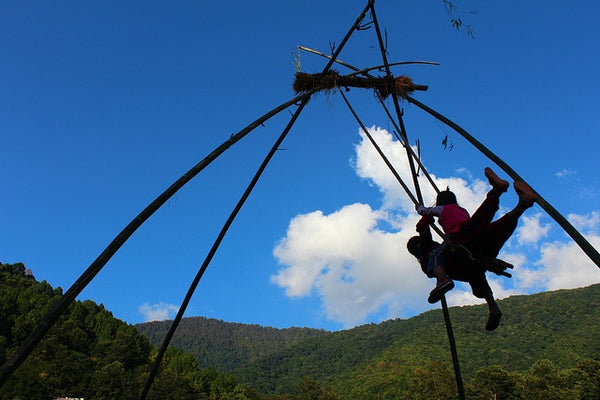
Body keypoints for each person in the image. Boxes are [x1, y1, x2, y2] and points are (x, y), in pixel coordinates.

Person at [407, 168, 537, 331]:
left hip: (467, 253)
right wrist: (424, 214)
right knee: (487, 226)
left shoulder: (427, 257)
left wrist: (424, 213)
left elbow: (423, 226)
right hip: (470, 251)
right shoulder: (430, 244)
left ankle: (505, 195)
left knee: (482, 232)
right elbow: (423, 227)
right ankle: (520, 202)